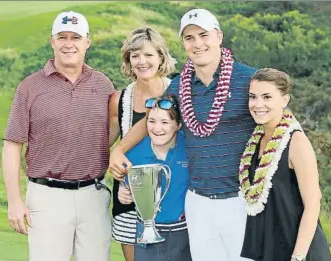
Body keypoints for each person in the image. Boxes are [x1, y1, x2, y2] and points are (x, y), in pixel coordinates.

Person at [109, 8, 256, 261]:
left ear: (219, 36)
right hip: (197, 203)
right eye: (189, 38)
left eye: (204, 35)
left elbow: (279, 124)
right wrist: (119, 149)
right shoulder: (180, 86)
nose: (197, 43)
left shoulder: (248, 79)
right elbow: (151, 121)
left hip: (239, 199)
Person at [2, 11, 115, 261]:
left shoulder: (103, 84)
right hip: (47, 197)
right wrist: (14, 201)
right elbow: (12, 145)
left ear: (87, 41)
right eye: (62, 37)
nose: (68, 43)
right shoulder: (30, 87)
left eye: (75, 37)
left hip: (93, 195)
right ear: (52, 41)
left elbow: (111, 131)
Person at [239, 68, 331, 261]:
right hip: (269, 249)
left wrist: (297, 257)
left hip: (298, 249)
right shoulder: (255, 140)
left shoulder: (297, 142)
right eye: (253, 97)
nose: (258, 104)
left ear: (284, 100)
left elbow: (313, 205)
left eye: (267, 97)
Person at [108, 27, 176, 261]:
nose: (142, 61)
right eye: (135, 55)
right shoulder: (120, 99)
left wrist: (119, 149)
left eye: (148, 54)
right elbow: (105, 145)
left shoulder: (177, 92)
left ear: (160, 57)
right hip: (128, 197)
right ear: (128, 60)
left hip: (173, 195)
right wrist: (112, 161)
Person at [117, 94, 191, 261]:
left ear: (178, 125)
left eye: (165, 122)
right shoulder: (133, 153)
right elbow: (126, 187)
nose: (157, 129)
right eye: (152, 121)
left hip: (184, 234)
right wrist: (123, 193)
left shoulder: (190, 148)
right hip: (147, 233)